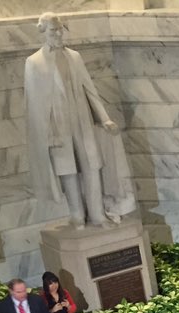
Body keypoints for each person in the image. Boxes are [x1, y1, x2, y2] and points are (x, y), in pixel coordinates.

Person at [24, 10, 132, 227]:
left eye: (60, 29)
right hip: (58, 128)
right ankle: (77, 215)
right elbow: (34, 105)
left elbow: (90, 90)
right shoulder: (34, 62)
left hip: (82, 122)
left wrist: (104, 119)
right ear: (43, 31)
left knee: (92, 167)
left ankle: (97, 214)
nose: (58, 34)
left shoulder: (74, 57)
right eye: (53, 30)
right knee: (68, 171)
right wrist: (46, 135)